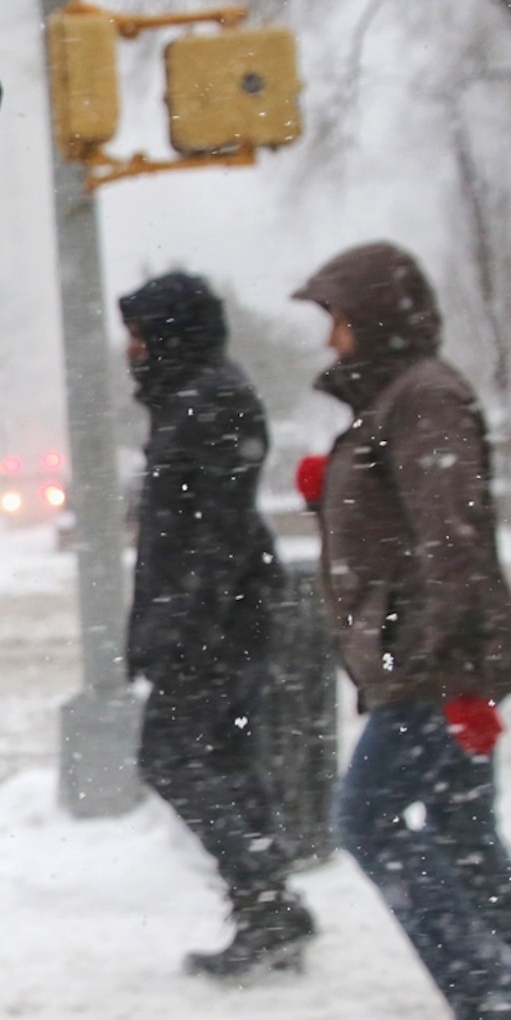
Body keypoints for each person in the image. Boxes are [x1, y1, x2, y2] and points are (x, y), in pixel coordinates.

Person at [292, 243, 511, 1020]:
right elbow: (408, 513)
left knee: (365, 821)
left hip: (433, 662)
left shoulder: (425, 398)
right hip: (436, 656)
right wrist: (329, 490)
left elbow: (451, 533)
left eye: (337, 319)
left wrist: (450, 663)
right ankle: (508, 1005)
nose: (331, 340)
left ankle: (496, 998)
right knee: (465, 829)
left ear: (371, 318)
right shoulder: (404, 400)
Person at [117, 272, 314, 979]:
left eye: (140, 336)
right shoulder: (197, 399)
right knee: (228, 760)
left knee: (169, 757)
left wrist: (176, 629)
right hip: (222, 615)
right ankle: (270, 903)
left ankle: (266, 900)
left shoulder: (207, 405)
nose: (130, 350)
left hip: (212, 623)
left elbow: (208, 538)